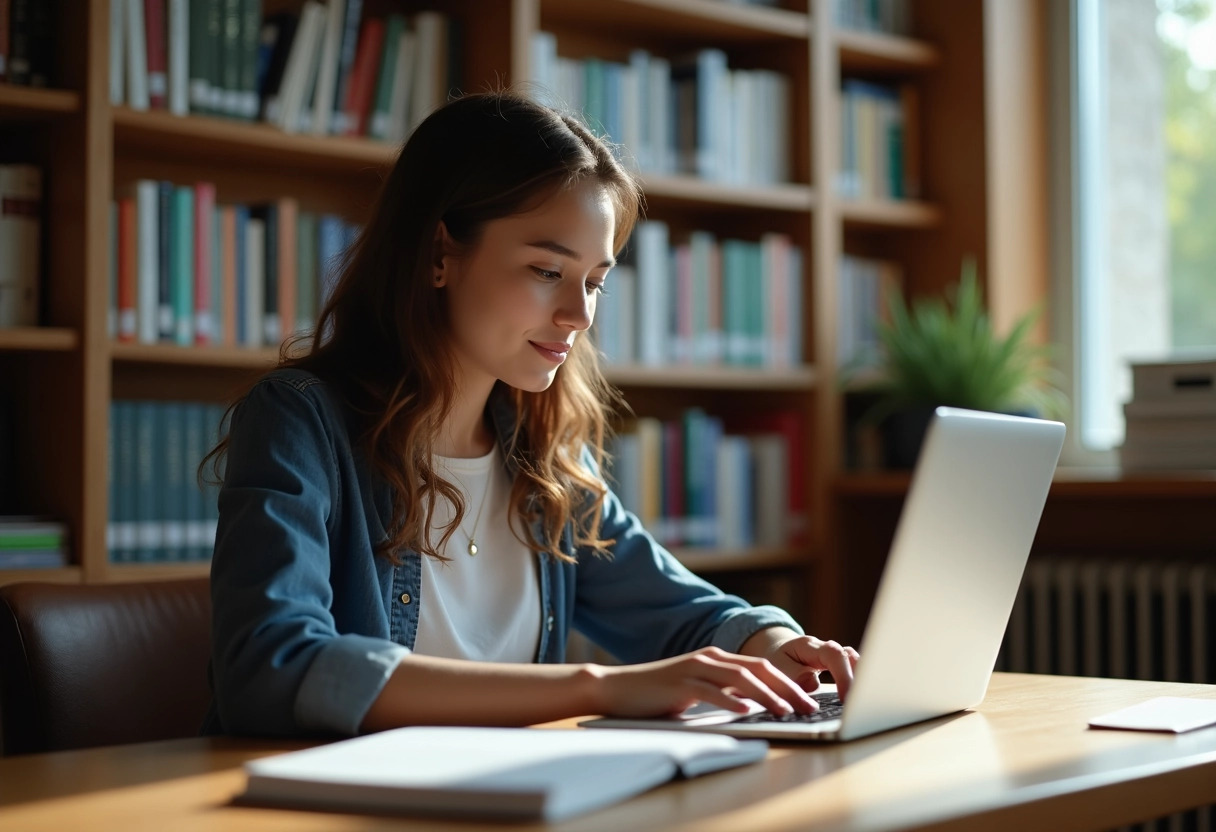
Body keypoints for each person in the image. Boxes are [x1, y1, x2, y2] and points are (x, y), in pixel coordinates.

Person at [200, 90, 859, 738]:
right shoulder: (301, 422)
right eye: (548, 270)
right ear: (439, 256)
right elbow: (271, 666)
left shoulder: (539, 454)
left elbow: (684, 612)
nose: (579, 314)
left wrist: (773, 646)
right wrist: (596, 688)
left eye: (595, 281)